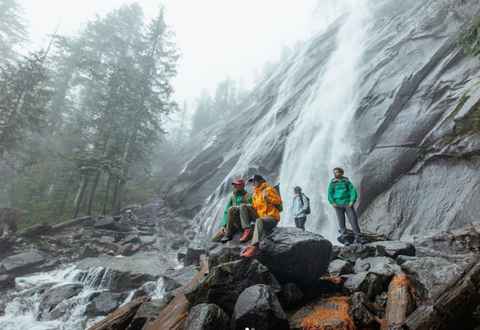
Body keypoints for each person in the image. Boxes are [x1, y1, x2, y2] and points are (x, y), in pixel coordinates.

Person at [239, 174, 283, 259]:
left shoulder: (268, 189)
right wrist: (252, 207)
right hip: (261, 217)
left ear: (261, 180)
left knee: (259, 221)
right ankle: (247, 230)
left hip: (272, 218)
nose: (254, 183)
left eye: (256, 180)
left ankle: (254, 248)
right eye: (253, 181)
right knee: (243, 206)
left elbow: (279, 201)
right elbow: (257, 207)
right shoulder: (255, 194)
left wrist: (269, 199)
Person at [327, 167, 364, 246]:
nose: (335, 174)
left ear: (341, 173)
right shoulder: (332, 183)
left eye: (336, 172)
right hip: (337, 204)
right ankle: (345, 239)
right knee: (341, 222)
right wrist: (333, 202)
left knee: (353, 220)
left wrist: (352, 201)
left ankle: (358, 238)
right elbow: (329, 194)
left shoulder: (346, 182)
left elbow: (353, 191)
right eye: (334, 172)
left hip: (348, 203)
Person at [211, 178, 253, 243]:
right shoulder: (233, 197)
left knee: (231, 209)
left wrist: (240, 207)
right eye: (234, 185)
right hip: (231, 223)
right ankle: (227, 230)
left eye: (237, 185)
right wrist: (223, 225)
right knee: (214, 239)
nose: (235, 187)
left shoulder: (248, 196)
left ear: (243, 186)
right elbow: (226, 212)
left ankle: (228, 234)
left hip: (241, 223)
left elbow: (250, 208)